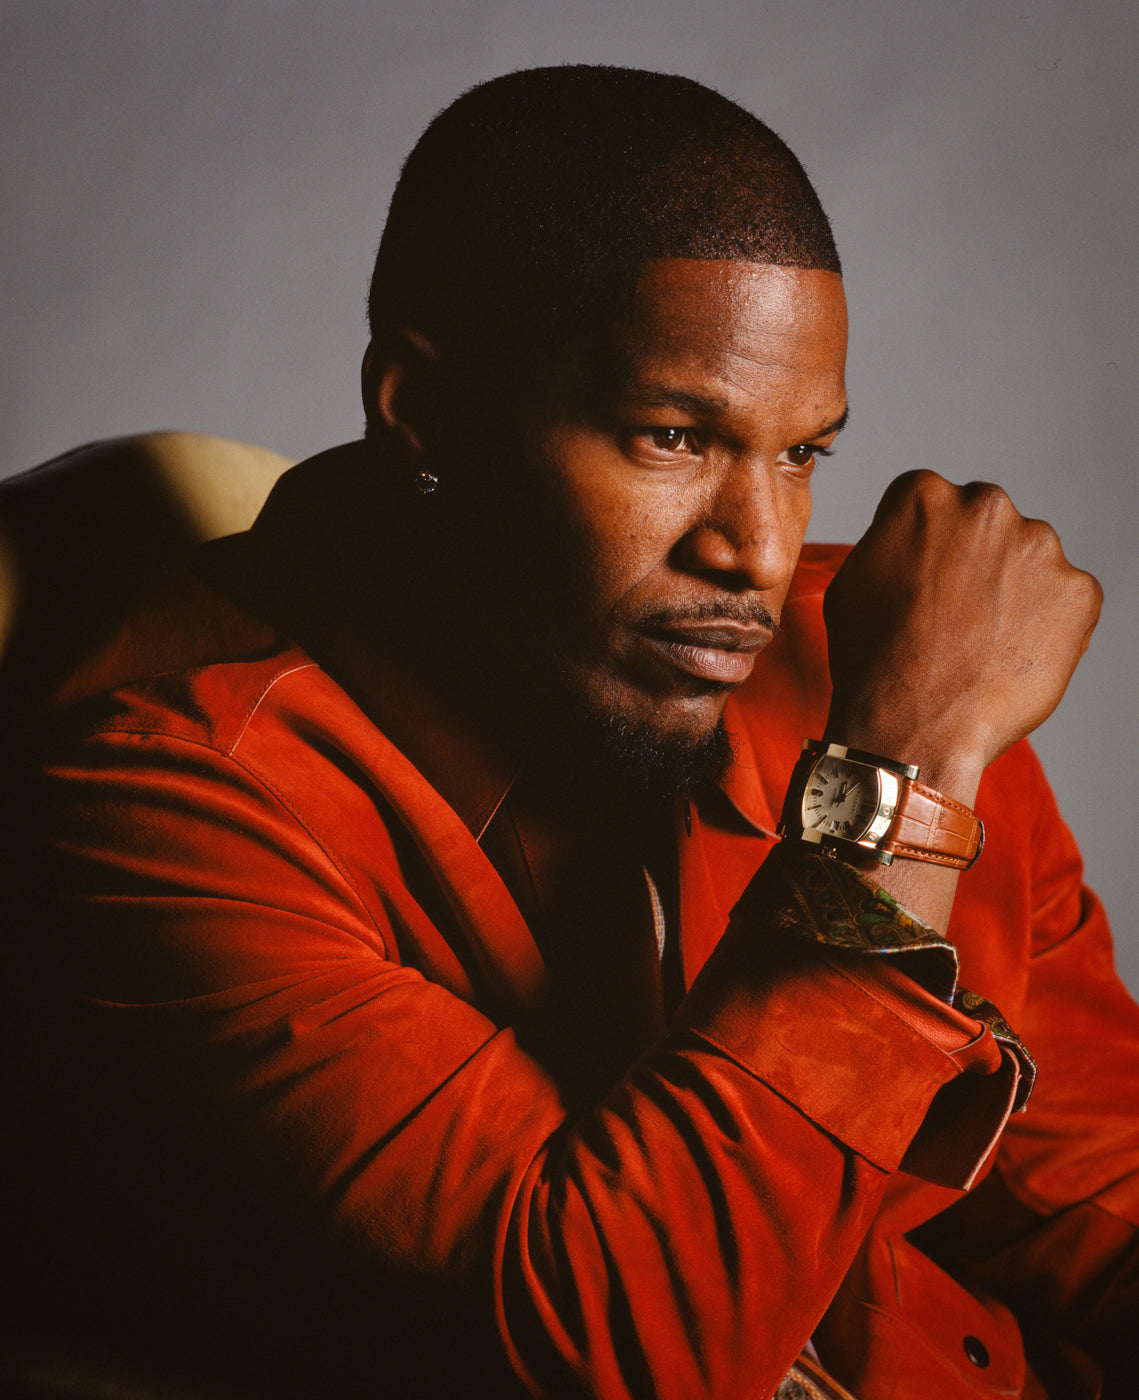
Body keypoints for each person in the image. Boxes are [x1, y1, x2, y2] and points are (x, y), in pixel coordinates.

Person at [2, 65, 1135, 1400]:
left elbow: (1088, 1187)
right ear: (422, 413)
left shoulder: (867, 655)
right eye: (673, 437)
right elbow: (626, 1346)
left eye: (800, 455)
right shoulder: (167, 797)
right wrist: (900, 788)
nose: (760, 554)